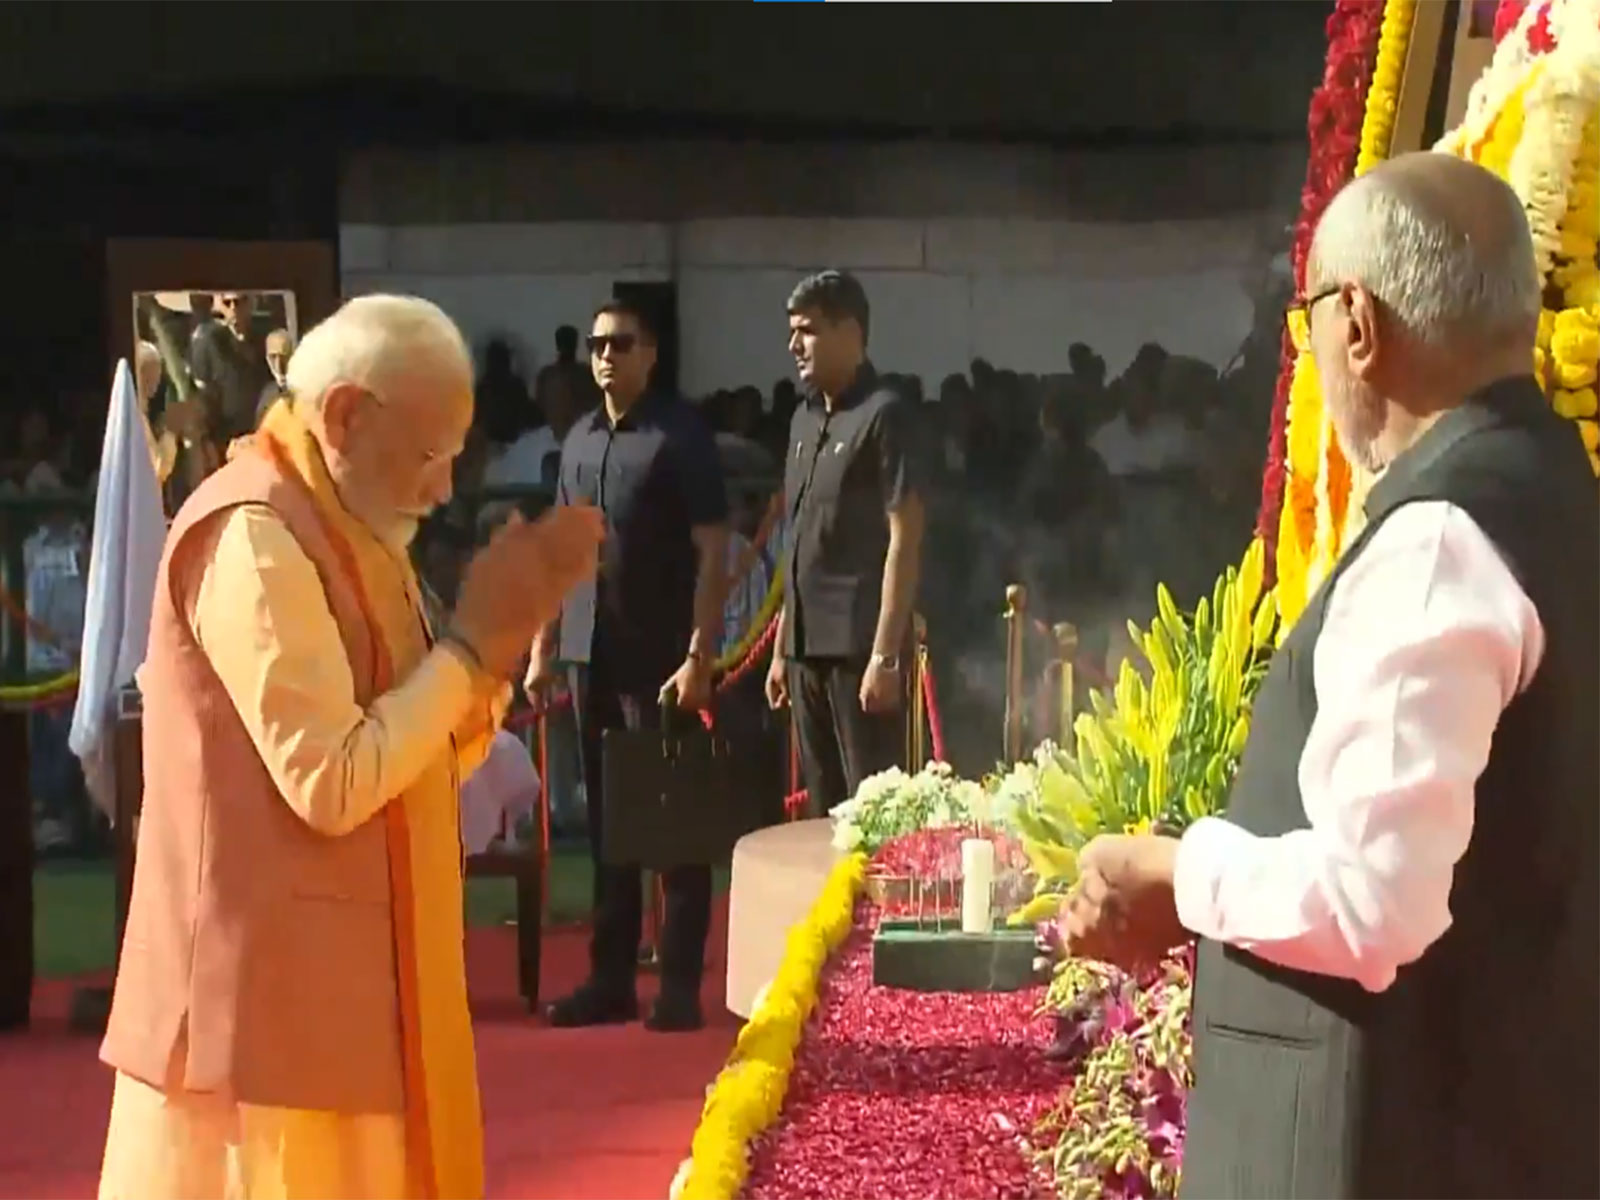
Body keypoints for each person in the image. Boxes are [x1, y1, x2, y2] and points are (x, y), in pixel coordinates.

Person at [1058, 154, 1598, 1198]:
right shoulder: (1550, 489)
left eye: (1300, 317)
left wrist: (1176, 871)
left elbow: (1370, 901)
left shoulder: (1439, 537)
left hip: (1407, 1144)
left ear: (1354, 319)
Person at [96, 295, 605, 1200]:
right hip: (261, 1040)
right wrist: (466, 649)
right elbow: (329, 778)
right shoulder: (254, 534)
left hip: (353, 1004)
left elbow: (415, 743)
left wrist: (487, 659)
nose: (446, 489)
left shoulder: (349, 525)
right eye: (429, 456)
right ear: (343, 416)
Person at [526, 300, 730, 1032]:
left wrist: (701, 652)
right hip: (591, 652)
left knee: (674, 820)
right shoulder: (577, 439)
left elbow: (714, 549)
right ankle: (610, 979)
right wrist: (544, 648)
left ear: (650, 354)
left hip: (664, 653)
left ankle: (677, 985)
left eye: (622, 344)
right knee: (609, 823)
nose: (607, 355)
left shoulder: (681, 436)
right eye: (597, 344)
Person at [765, 271, 925, 815]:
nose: (794, 346)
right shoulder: (803, 420)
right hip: (806, 649)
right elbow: (801, 537)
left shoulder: (884, 414)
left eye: (807, 330)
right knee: (822, 813)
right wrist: (784, 646)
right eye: (792, 331)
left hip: (859, 650)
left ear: (850, 332)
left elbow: (905, 534)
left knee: (872, 812)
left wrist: (885, 653)